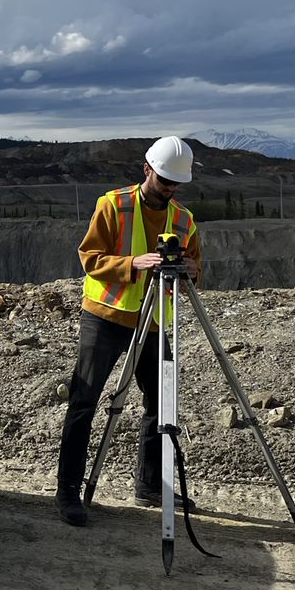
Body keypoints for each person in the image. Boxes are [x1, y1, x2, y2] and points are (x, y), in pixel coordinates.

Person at [55, 135, 203, 527]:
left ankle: (150, 485)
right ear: (147, 170)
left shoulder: (184, 220)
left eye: (175, 183)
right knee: (84, 402)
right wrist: (132, 264)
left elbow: (196, 268)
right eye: (164, 180)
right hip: (105, 317)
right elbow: (90, 258)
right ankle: (68, 491)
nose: (169, 189)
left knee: (160, 405)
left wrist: (190, 270)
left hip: (153, 321)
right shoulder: (113, 205)